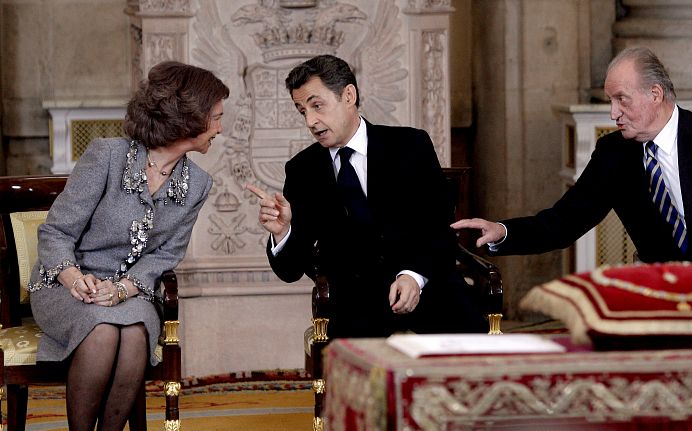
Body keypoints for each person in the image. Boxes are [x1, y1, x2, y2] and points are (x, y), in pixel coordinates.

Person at [452, 46, 692, 320]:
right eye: (610, 101)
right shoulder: (614, 155)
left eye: (622, 99)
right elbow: (564, 222)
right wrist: (502, 231)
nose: (613, 113)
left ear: (655, 94)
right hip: (671, 299)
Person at [28, 61, 226, 430]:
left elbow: (165, 255)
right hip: (64, 285)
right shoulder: (107, 155)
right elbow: (55, 233)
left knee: (135, 332)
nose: (220, 128)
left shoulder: (198, 183)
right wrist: (75, 280)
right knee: (102, 330)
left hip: (134, 292)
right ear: (190, 118)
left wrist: (122, 289)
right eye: (216, 117)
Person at [247, 54, 483, 338]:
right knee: (354, 364)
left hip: (427, 285)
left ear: (348, 95)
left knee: (473, 356)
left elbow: (438, 228)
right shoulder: (302, 170)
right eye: (302, 111)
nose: (310, 121)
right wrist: (283, 232)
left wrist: (413, 277)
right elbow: (290, 270)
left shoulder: (410, 146)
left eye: (317, 106)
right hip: (355, 307)